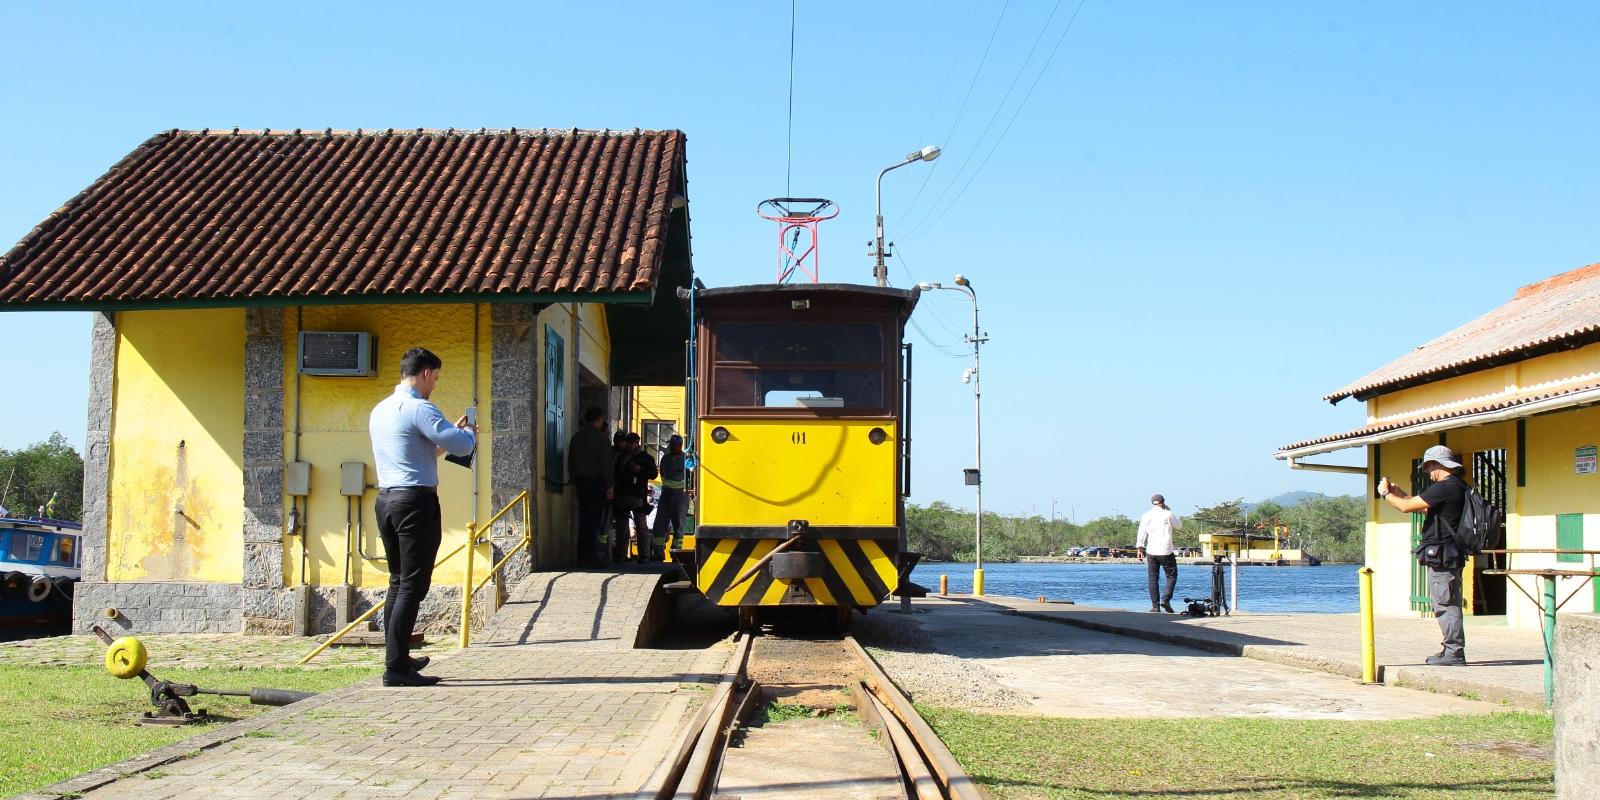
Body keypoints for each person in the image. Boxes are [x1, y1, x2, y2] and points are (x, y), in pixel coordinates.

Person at [368, 347, 476, 687]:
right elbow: (459, 445)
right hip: (415, 502)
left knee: (398, 582)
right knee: (413, 585)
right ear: (426, 373)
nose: (435, 386)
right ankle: (396, 668)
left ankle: (397, 656)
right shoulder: (420, 407)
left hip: (387, 499)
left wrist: (448, 439)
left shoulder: (382, 409)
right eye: (436, 378)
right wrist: (469, 433)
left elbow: (423, 448)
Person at [1379, 445, 1469, 666]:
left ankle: (1454, 653)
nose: (1428, 472)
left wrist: (1386, 493)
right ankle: (1451, 650)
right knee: (1448, 601)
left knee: (1445, 604)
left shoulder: (1444, 486)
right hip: (1450, 552)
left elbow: (1407, 507)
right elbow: (1423, 507)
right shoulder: (1458, 486)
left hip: (1442, 553)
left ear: (1437, 465)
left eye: (1428, 467)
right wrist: (1399, 494)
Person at [567, 407, 614, 567]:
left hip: (581, 482)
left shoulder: (576, 438)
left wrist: (574, 479)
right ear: (599, 419)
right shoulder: (601, 439)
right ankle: (591, 557)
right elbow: (606, 464)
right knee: (594, 520)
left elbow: (570, 462)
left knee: (584, 519)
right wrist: (610, 485)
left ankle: (581, 555)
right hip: (596, 483)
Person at [613, 432, 658, 561]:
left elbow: (654, 474)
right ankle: (621, 554)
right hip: (622, 495)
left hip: (637, 495)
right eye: (629, 443)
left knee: (641, 526)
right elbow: (615, 474)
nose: (630, 445)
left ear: (637, 443)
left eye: (633, 443)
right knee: (622, 527)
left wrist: (640, 470)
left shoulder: (645, 458)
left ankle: (644, 556)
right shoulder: (621, 456)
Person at [1137, 493, 1182, 613]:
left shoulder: (1146, 515)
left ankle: (1155, 606)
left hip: (1151, 551)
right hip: (1166, 550)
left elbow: (1141, 532)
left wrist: (1139, 548)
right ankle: (1166, 600)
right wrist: (1169, 510)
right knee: (1172, 576)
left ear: (1152, 503)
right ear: (1163, 502)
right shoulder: (1167, 514)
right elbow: (1179, 525)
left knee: (1153, 578)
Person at [652, 434, 689, 555]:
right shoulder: (665, 459)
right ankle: (658, 552)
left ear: (680, 445)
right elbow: (662, 474)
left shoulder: (686, 459)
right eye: (670, 444)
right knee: (660, 523)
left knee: (679, 525)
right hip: (666, 494)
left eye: (673, 445)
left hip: (680, 496)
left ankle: (676, 553)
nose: (671, 447)